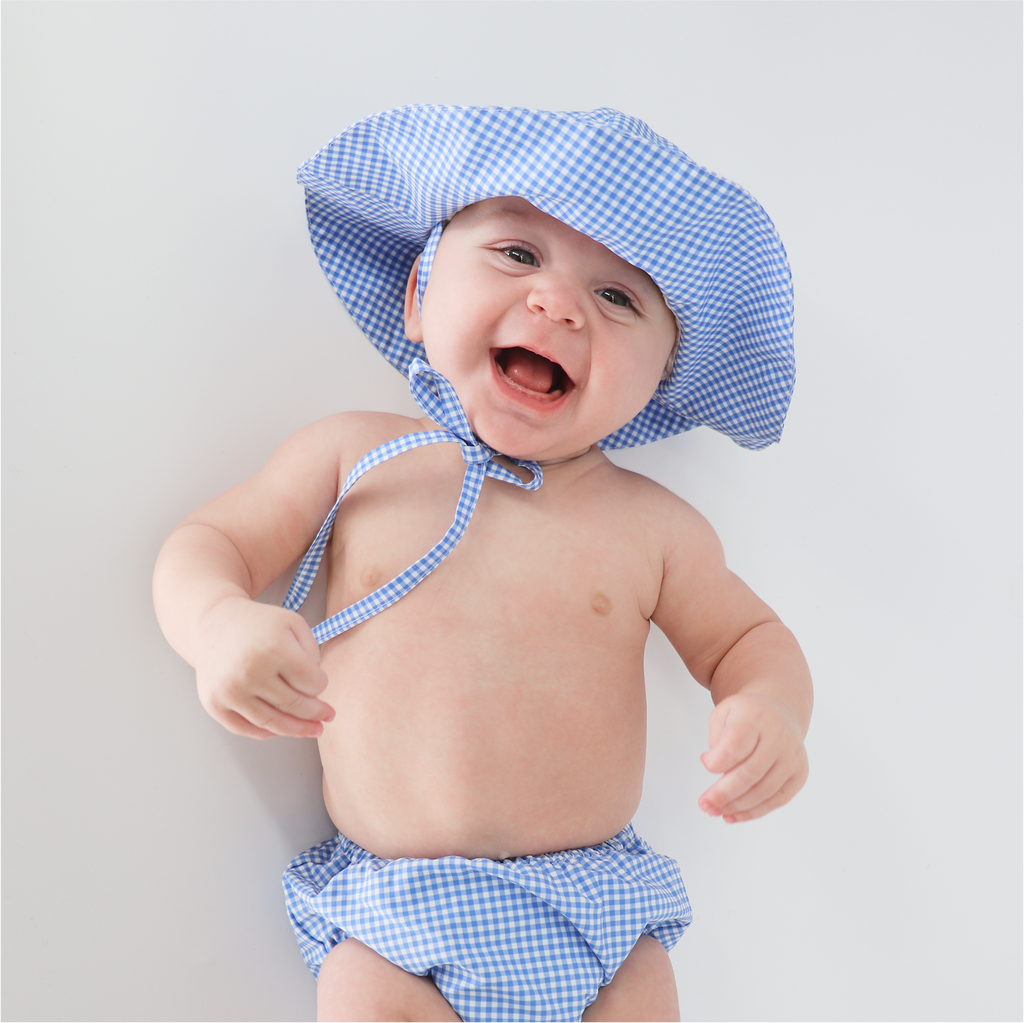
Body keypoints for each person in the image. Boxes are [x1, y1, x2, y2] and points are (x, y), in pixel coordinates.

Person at [153, 105, 813, 1023]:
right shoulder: (353, 457)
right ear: (418, 296)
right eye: (516, 254)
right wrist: (218, 622)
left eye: (618, 298)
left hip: (597, 914)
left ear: (660, 378)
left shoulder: (653, 527)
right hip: (397, 919)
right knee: (357, 1000)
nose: (557, 303)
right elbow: (208, 545)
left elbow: (748, 636)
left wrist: (771, 707)